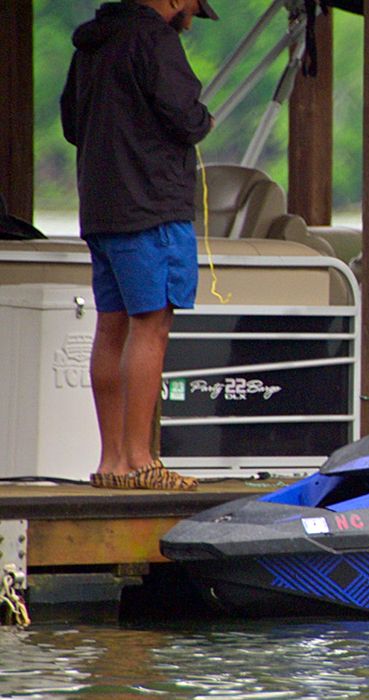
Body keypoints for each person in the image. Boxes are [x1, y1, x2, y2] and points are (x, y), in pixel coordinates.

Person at [61, 0, 219, 490]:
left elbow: (70, 125)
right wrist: (203, 118)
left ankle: (111, 463)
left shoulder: (90, 46)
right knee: (151, 327)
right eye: (192, 4)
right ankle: (139, 459)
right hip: (151, 207)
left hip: (102, 210)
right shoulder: (155, 40)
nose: (192, 13)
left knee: (112, 327)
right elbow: (187, 118)